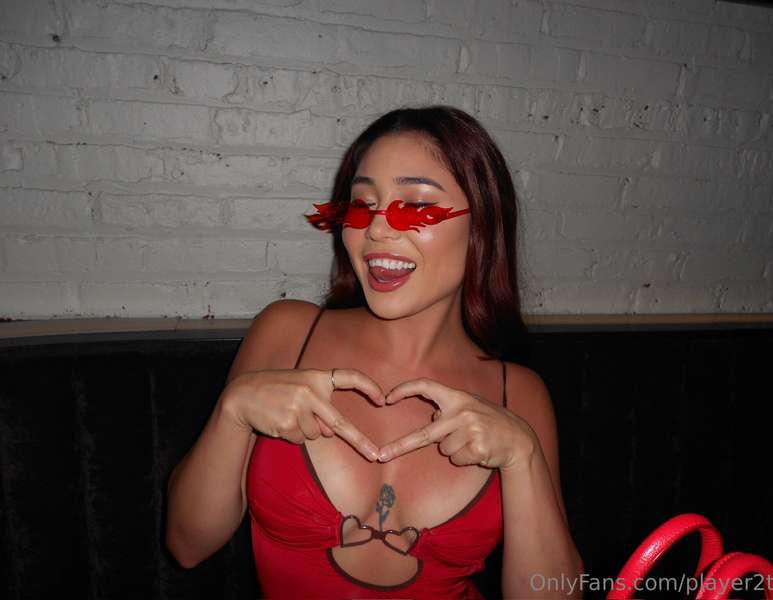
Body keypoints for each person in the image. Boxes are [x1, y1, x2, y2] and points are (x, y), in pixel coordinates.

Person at [165, 105, 584, 598]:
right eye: (363, 205)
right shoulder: (287, 333)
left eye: (417, 206)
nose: (377, 230)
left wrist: (523, 458)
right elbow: (187, 546)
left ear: (482, 227)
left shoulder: (521, 393)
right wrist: (232, 412)